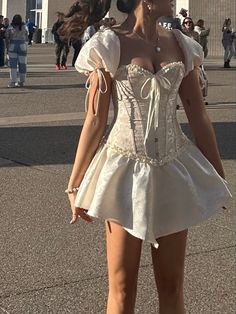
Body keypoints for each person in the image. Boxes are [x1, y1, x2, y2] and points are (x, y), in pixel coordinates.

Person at [60, 1, 231, 313]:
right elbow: (95, 120)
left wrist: (217, 176)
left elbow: (198, 114)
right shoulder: (108, 44)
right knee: (122, 288)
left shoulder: (181, 44)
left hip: (173, 170)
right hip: (123, 170)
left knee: (171, 285)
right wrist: (75, 184)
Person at [5, 14, 28, 88]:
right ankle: (21, 81)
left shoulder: (10, 27)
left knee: (13, 66)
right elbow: (27, 36)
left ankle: (13, 81)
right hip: (22, 46)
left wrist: (7, 49)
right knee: (22, 64)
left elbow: (7, 37)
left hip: (12, 46)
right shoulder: (24, 27)